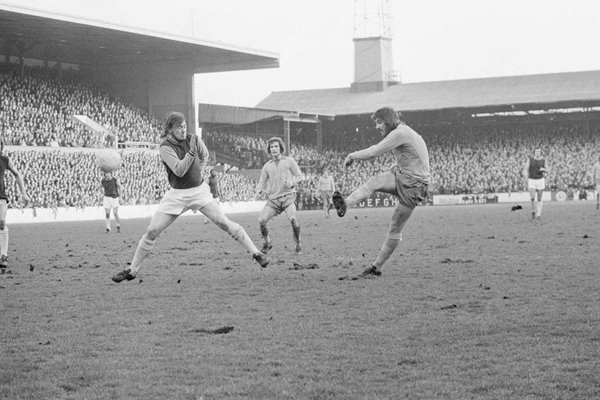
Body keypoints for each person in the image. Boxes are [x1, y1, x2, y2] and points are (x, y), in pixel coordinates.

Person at [111, 112, 269, 283]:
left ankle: (256, 253)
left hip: (198, 191)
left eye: (184, 125)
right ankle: (132, 270)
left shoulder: (193, 139)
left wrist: (198, 170)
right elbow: (179, 170)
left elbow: (205, 156)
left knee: (224, 222)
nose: (183, 129)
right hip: (176, 195)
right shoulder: (165, 147)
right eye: (179, 126)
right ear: (170, 129)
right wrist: (191, 153)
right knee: (152, 231)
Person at [331, 107, 430, 278]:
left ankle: (376, 268)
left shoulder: (400, 133)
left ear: (389, 120)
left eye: (379, 122)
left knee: (395, 226)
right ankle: (345, 204)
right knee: (374, 181)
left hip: (415, 185)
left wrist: (353, 155)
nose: (377, 127)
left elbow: (374, 152)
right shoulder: (402, 133)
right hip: (403, 174)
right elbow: (414, 156)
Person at [256, 137, 303, 254]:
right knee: (261, 220)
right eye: (271, 147)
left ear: (281, 148)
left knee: (293, 220)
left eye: (276, 146)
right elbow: (261, 183)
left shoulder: (289, 161)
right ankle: (267, 243)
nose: (274, 149)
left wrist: (292, 183)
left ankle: (298, 244)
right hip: (273, 200)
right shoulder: (267, 166)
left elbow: (300, 176)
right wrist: (259, 191)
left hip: (288, 197)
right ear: (269, 149)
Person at [0, 140, 30, 269]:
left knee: (1, 224)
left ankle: (3, 256)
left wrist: (24, 193)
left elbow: (17, 174)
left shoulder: (5, 159)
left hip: (0, 197)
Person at [523, 148, 549, 220]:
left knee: (539, 198)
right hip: (532, 180)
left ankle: (539, 214)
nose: (537, 153)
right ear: (534, 152)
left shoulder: (543, 160)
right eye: (536, 151)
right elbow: (526, 168)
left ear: (540, 153)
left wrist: (543, 170)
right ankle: (533, 211)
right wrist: (525, 175)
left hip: (540, 180)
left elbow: (548, 170)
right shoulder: (530, 160)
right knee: (532, 197)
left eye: (539, 151)